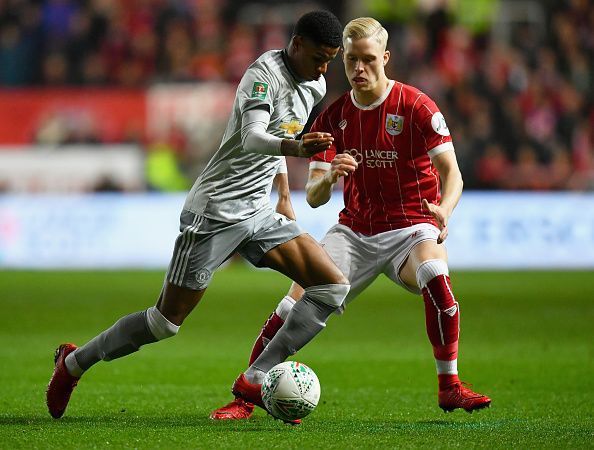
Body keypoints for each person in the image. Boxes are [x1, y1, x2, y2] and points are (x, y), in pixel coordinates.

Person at [46, 10, 351, 423]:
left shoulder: (315, 84)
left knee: (331, 286)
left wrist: (282, 194)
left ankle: (255, 378)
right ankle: (73, 363)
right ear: (297, 44)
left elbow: (288, 129)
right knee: (164, 323)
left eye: (330, 59)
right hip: (217, 210)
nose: (324, 67)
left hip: (260, 210)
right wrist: (297, 151)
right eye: (319, 56)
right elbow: (255, 136)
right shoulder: (263, 74)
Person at [211, 17, 491, 421]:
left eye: (369, 60)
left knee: (433, 272)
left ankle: (450, 386)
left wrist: (444, 210)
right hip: (355, 231)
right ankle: (246, 391)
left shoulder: (416, 106)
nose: (359, 70)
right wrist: (333, 177)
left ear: (386, 58)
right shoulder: (334, 117)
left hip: (412, 227)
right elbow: (315, 195)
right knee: (292, 305)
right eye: (352, 61)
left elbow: (452, 173)